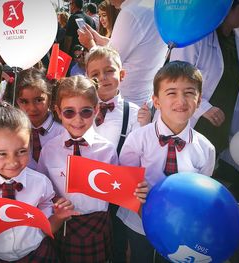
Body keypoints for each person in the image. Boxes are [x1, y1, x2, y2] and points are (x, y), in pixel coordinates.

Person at [37, 75, 148, 262]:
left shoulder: (107, 150)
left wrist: (135, 190)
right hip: (64, 225)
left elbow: (117, 189)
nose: (78, 120)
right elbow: (42, 188)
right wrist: (56, 200)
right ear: (57, 111)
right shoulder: (49, 150)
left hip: (97, 224)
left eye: (86, 112)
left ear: (96, 110)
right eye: (69, 112)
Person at [118, 61, 216, 262]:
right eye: (171, 93)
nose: (181, 100)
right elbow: (124, 181)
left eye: (189, 93)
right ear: (156, 101)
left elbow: (201, 194)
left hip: (179, 227)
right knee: (139, 257)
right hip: (139, 222)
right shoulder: (138, 138)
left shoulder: (206, 149)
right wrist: (138, 202)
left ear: (198, 102)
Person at [0, 102, 77, 262]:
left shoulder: (40, 183)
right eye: (2, 154)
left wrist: (58, 216)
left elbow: (45, 217)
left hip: (38, 252)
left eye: (21, 151)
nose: (13, 162)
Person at [170, 0, 239, 196]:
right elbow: (175, 77)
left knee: (209, 171)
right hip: (196, 120)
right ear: (226, 7)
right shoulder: (196, 37)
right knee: (187, 173)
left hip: (224, 121)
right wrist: (203, 108)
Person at [85, 45, 150, 262]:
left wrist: (144, 125)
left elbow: (137, 155)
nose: (103, 78)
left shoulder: (133, 114)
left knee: (117, 244)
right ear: (88, 78)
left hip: (117, 192)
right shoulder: (81, 109)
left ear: (122, 74)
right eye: (95, 74)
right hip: (86, 190)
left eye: (109, 71)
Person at [78, 0, 167, 107]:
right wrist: (99, 39)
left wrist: (90, 43)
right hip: (144, 100)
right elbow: (134, 45)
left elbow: (107, 61)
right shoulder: (152, 7)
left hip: (125, 103)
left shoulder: (131, 12)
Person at [3, 67, 64, 170]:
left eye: (39, 100)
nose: (32, 108)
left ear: (49, 98)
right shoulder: (12, 133)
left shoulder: (63, 132)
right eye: (24, 102)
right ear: (16, 102)